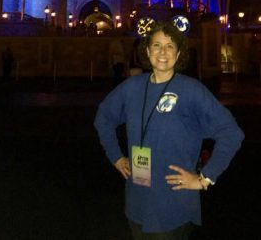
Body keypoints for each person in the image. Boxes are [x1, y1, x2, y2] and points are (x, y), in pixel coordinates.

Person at [94, 22, 244, 239]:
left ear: (179, 52)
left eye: (170, 46)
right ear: (147, 51)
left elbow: (231, 133)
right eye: (156, 45)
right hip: (137, 199)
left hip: (173, 205)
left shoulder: (191, 90)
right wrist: (116, 157)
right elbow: (103, 118)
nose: (162, 52)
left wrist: (204, 178)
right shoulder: (132, 87)